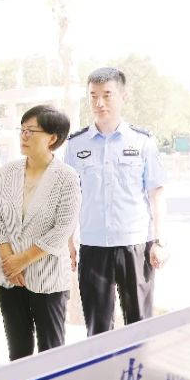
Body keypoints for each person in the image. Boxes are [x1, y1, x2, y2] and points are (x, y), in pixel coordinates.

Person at [64, 67, 168, 336]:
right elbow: (71, 197)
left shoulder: (142, 142)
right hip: (93, 245)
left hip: (136, 244)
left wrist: (159, 242)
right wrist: (69, 241)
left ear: (123, 97)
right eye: (93, 96)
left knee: (140, 323)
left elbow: (156, 194)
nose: (99, 103)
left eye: (107, 95)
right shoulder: (76, 145)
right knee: (97, 328)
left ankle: (141, 363)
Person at [0, 106, 81, 359]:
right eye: (22, 130)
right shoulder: (8, 171)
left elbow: (62, 229)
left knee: (51, 351)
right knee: (18, 352)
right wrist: (10, 262)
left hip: (48, 278)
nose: (24, 136)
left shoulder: (67, 177)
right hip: (10, 277)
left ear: (52, 138)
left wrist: (22, 260)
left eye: (31, 131)